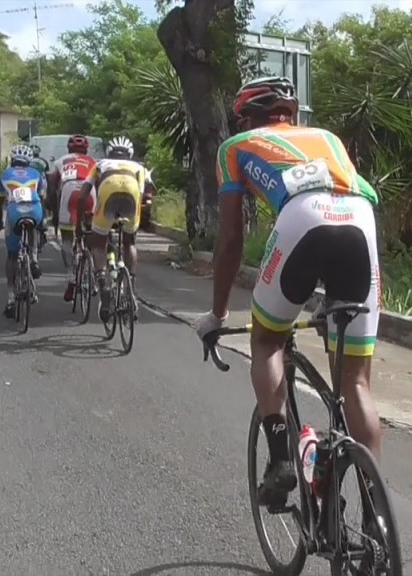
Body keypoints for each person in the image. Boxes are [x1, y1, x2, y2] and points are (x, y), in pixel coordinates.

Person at [193, 76, 383, 509]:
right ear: (291, 114)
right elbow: (358, 196)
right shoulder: (328, 138)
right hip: (361, 220)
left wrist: (217, 316)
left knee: (267, 339)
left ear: (246, 117)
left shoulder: (236, 146)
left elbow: (230, 239)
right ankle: (375, 511)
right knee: (356, 382)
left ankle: (280, 460)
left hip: (302, 215)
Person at [79, 136, 152, 322]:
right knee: (129, 243)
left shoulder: (100, 164)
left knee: (98, 243)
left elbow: (83, 194)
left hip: (108, 192)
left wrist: (81, 220)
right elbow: (148, 194)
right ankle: (130, 290)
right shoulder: (140, 167)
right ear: (130, 154)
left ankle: (103, 283)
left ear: (109, 152)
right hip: (132, 194)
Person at [0, 144, 48, 319]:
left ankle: (10, 298)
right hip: (35, 209)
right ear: (29, 161)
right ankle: (34, 259)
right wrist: (44, 221)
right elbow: (43, 198)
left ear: (13, 159)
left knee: (12, 255)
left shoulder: (5, 174)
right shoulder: (37, 174)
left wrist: (0, 222)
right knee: (36, 226)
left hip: (14, 212)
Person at [48, 134, 98, 302]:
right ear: (86, 149)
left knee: (67, 239)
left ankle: (71, 277)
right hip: (89, 191)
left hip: (69, 192)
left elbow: (52, 187)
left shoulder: (61, 161)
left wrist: (53, 211)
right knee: (92, 233)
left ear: (69, 149)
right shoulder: (93, 162)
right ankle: (92, 271)